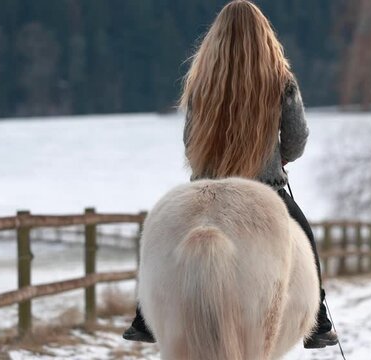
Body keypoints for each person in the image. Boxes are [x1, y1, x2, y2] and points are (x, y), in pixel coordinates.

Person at [123, 0, 338, 349]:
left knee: (159, 236)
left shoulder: (201, 82)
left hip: (206, 185)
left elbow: (190, 141)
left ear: (215, 38)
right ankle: (319, 323)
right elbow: (297, 140)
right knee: (304, 235)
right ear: (264, 36)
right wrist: (277, 161)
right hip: (265, 185)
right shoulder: (281, 80)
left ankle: (145, 318)